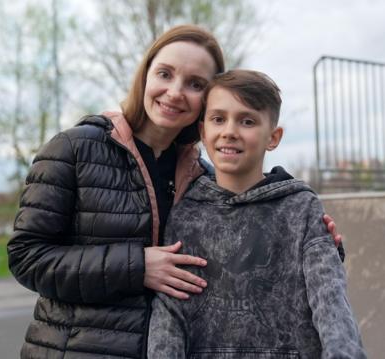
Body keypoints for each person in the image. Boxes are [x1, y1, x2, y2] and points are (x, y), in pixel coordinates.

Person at [8, 25, 343, 359]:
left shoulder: (201, 177)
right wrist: (138, 267)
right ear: (145, 75)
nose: (175, 92)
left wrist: (312, 248)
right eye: (165, 74)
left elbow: (240, 266)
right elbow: (26, 257)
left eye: (195, 84)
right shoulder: (75, 148)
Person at [147, 69, 365, 359]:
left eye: (247, 121)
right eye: (218, 119)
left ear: (273, 137)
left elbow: (332, 304)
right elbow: (169, 315)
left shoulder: (300, 208)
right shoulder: (186, 214)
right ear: (203, 131)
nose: (229, 131)